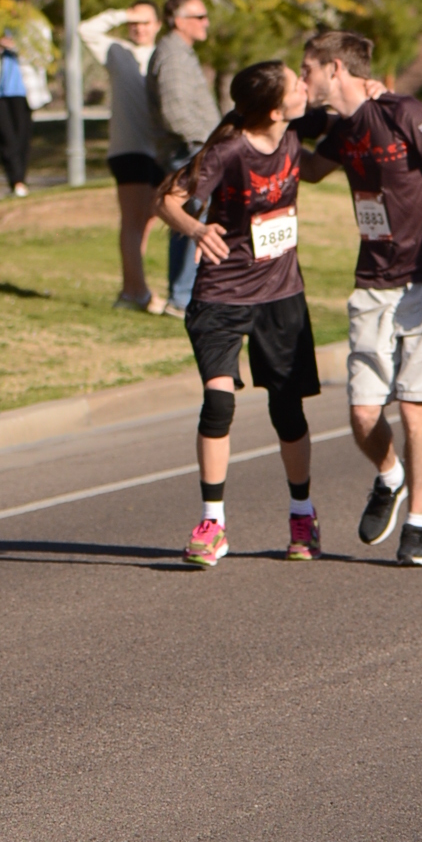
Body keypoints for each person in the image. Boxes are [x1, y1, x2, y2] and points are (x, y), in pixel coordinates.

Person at [296, 29, 422, 568]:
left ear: (335, 68)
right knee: (363, 414)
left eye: (307, 69)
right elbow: (310, 171)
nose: (303, 78)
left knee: (413, 407)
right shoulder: (341, 129)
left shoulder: (403, 112)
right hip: (375, 281)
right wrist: (272, 128)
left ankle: (418, 526)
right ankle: (390, 476)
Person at [159, 61, 321, 568]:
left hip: (280, 294)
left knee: (287, 409)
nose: (305, 87)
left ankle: (302, 514)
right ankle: (213, 524)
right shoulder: (228, 151)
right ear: (274, 110)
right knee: (218, 405)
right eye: (297, 85)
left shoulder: (293, 135)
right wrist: (195, 228)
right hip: (222, 295)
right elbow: (167, 200)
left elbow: (335, 142)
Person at [147, 0, 219, 313]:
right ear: (178, 21)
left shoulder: (181, 52)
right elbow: (175, 113)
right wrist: (208, 144)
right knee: (192, 220)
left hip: (193, 149)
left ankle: (182, 297)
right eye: (199, 17)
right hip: (188, 150)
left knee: (186, 221)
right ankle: (183, 298)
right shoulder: (173, 55)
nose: (206, 23)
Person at [101, 1, 164, 309]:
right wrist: (122, 14)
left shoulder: (163, 55)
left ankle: (136, 287)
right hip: (128, 149)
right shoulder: (116, 52)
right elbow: (85, 31)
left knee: (148, 219)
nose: (139, 27)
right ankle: (133, 292)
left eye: (146, 21)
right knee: (132, 221)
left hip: (158, 150)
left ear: (158, 24)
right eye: (134, 22)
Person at [0, 20, 47, 197]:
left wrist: (15, 46)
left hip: (25, 92)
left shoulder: (36, 26)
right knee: (5, 137)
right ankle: (14, 181)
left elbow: (44, 56)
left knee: (21, 138)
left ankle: (20, 180)